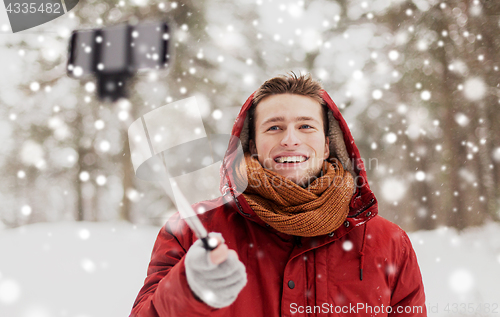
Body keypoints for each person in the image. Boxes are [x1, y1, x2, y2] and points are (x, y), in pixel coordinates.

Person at [130, 73, 427, 316]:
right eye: (274, 127)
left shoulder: (389, 244)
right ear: (253, 145)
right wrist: (187, 289)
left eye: (305, 126)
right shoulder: (192, 229)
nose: (290, 139)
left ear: (327, 145)